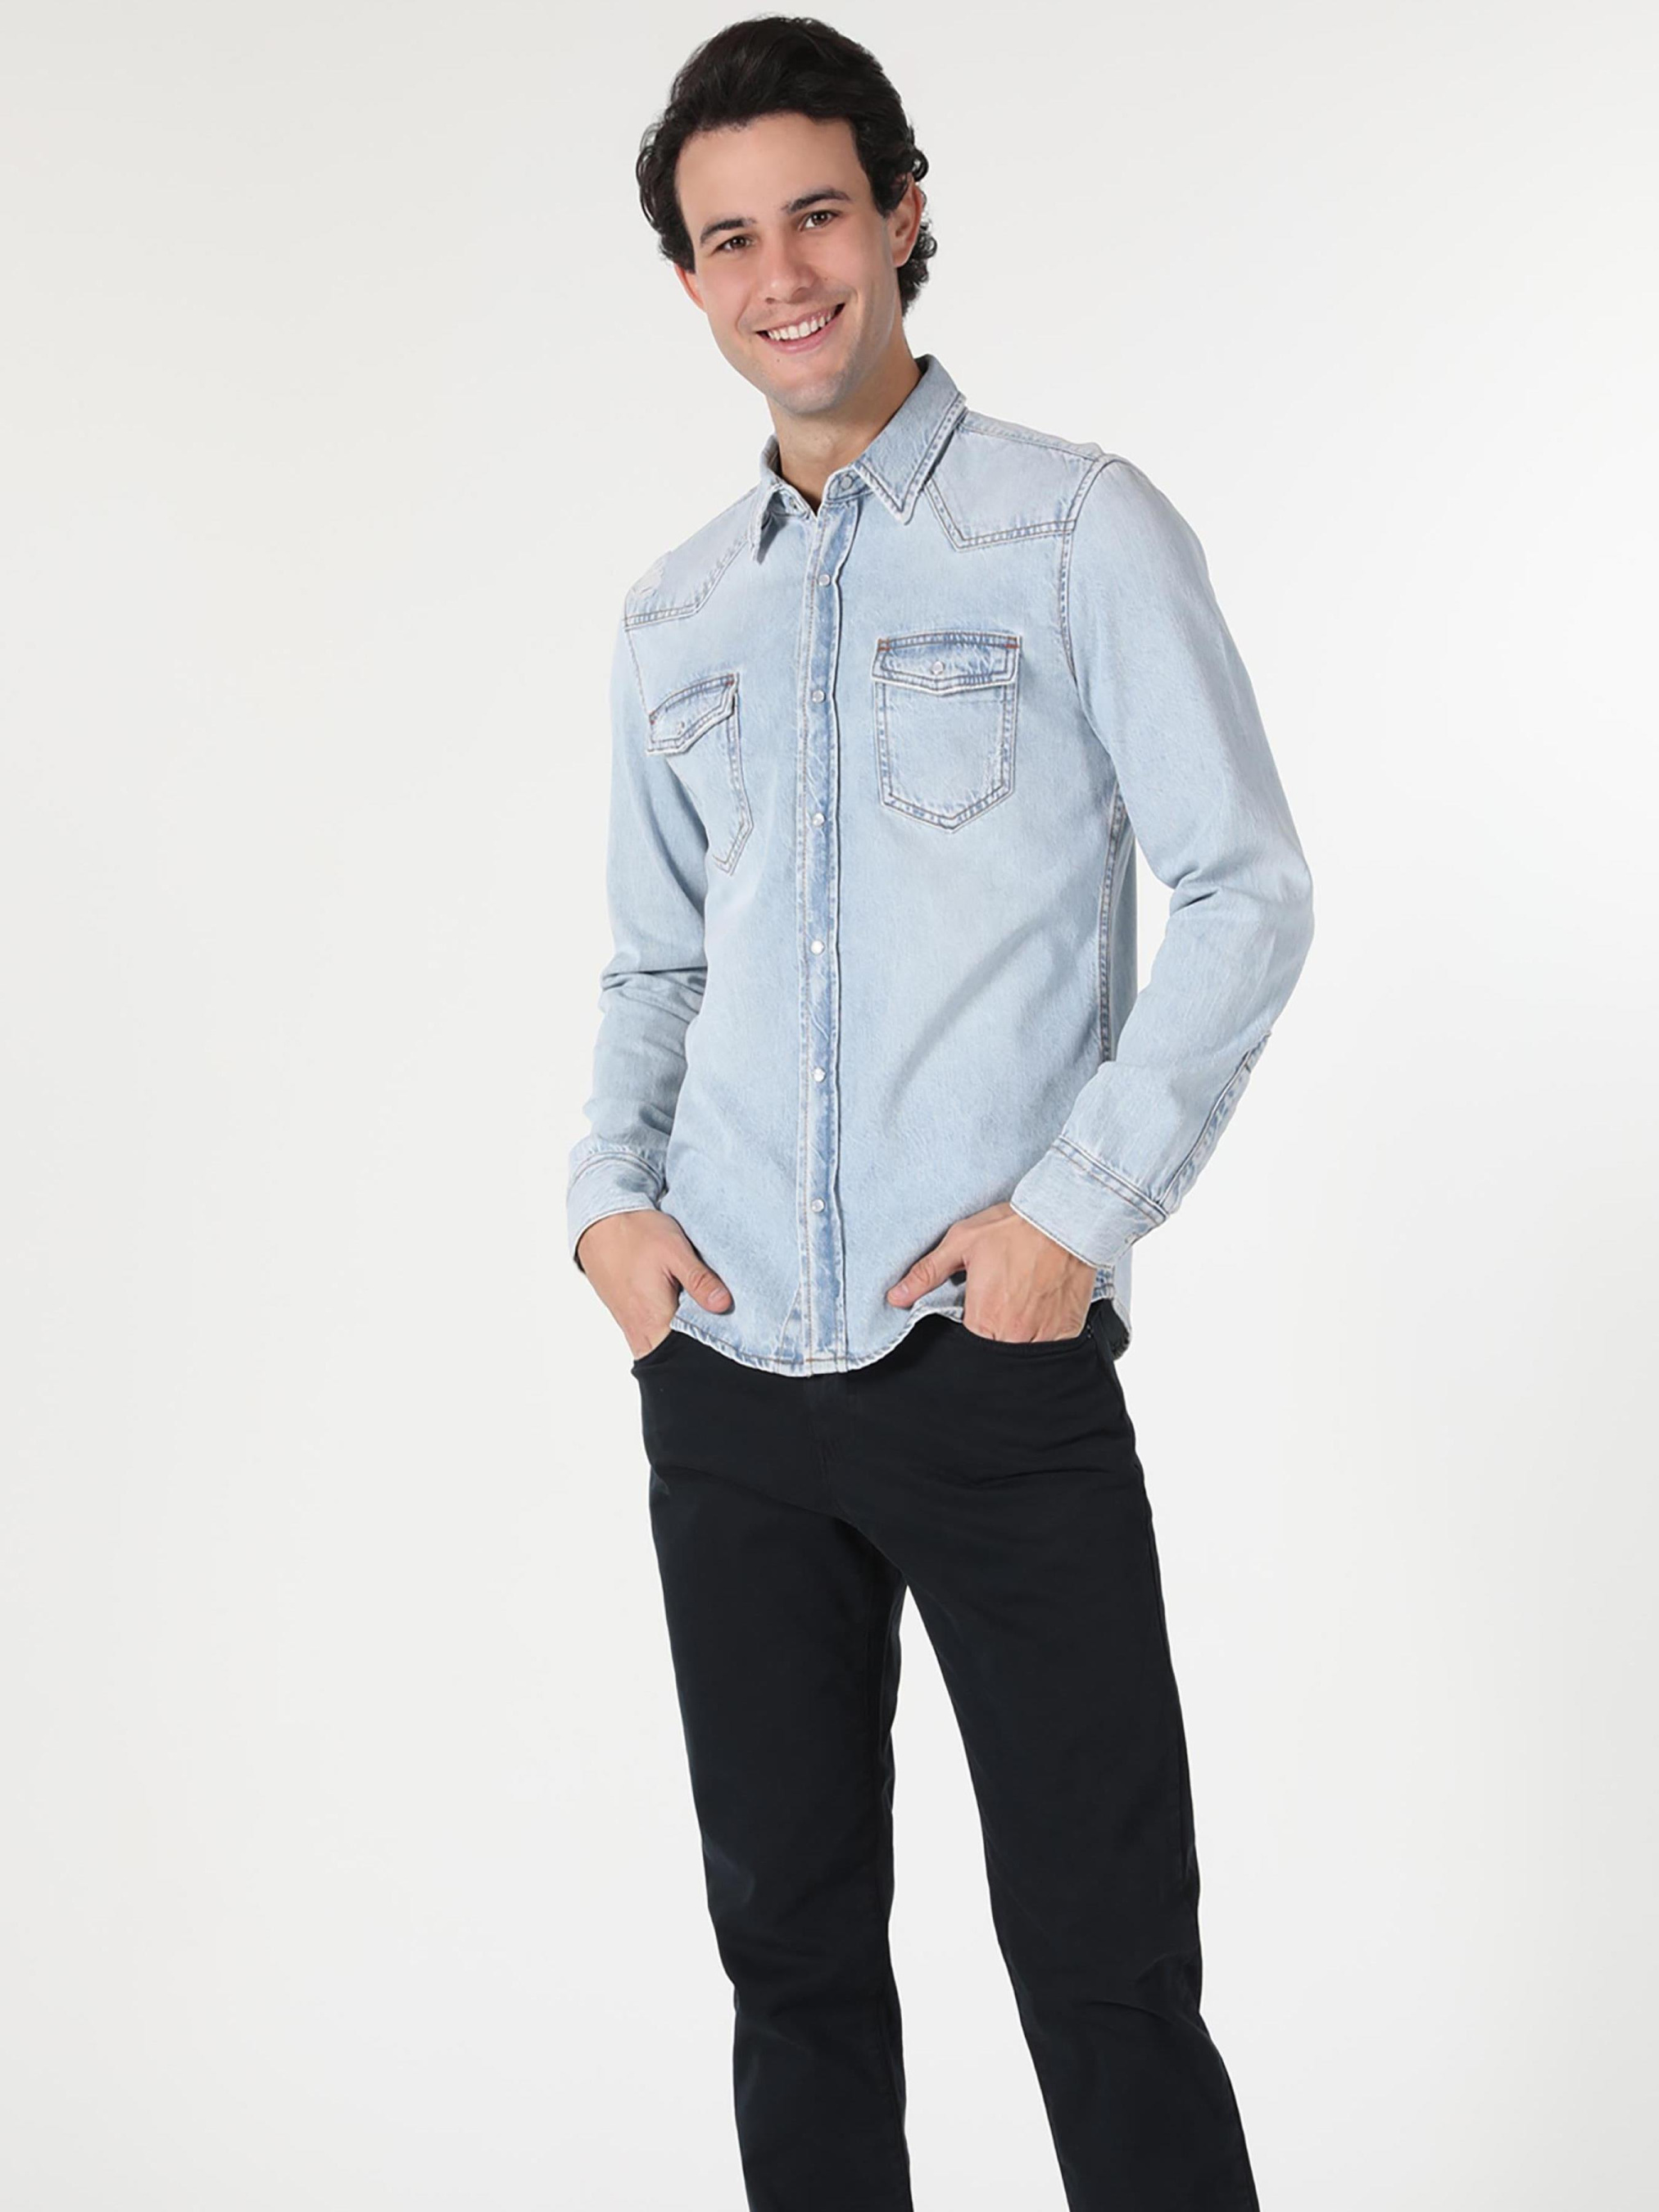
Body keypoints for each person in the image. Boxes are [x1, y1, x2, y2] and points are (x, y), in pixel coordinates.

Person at [568, 18, 1314, 2209]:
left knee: (1105, 1966)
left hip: (984, 1363)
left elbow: (1248, 887)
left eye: (817, 213)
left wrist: (1074, 1211)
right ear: (687, 279)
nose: (781, 274)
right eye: (728, 240)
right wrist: (607, 1211)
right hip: (725, 1370)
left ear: (902, 216)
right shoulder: (673, 613)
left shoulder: (1073, 530)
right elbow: (653, 964)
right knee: (792, 1965)